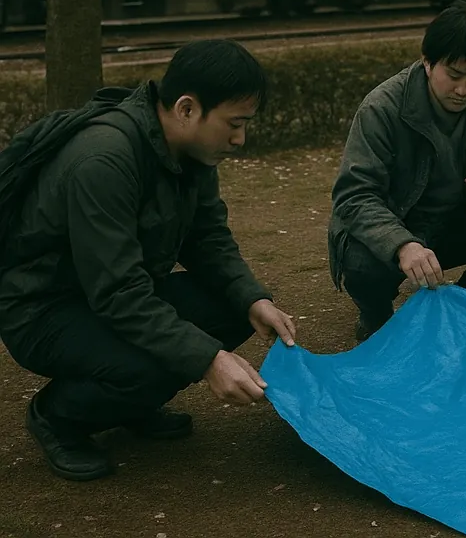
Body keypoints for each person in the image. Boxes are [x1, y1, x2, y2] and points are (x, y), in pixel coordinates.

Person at [0, 40, 296, 482]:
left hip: (104, 295)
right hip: (41, 309)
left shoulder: (192, 152)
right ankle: (58, 417)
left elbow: (208, 239)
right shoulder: (104, 159)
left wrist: (253, 299)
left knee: (232, 312)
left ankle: (129, 404)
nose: (240, 139)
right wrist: (207, 360)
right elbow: (118, 292)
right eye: (234, 123)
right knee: (150, 364)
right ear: (186, 108)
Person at [329, 1, 466, 340]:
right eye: (453, 75)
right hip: (397, 226)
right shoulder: (382, 107)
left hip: (456, 223)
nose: (463, 90)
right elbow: (355, 196)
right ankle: (376, 318)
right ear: (427, 61)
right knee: (360, 262)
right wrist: (403, 244)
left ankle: (465, 310)